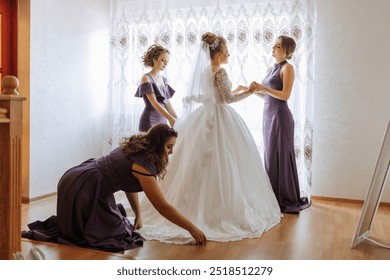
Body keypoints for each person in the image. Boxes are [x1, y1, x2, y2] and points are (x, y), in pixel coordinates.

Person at [137, 32, 282, 244]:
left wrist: (239, 89)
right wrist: (250, 90)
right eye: (226, 51)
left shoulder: (205, 71)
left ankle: (187, 207)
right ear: (218, 54)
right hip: (220, 117)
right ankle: (218, 210)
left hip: (204, 116)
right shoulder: (220, 72)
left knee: (199, 163)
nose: (229, 54)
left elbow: (217, 95)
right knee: (225, 162)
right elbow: (228, 99)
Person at [22, 124, 207, 252]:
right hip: (85, 186)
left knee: (119, 224)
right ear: (158, 145)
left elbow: (128, 184)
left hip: (78, 176)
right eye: (169, 147)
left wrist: (139, 214)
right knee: (114, 234)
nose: (171, 152)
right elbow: (162, 206)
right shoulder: (142, 164)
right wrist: (191, 228)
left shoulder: (139, 147)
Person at [252, 35, 310, 214]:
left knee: (280, 156)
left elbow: (285, 96)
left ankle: (284, 198)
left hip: (280, 118)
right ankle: (273, 197)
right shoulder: (272, 69)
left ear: (287, 51)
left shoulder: (288, 68)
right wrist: (254, 91)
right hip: (268, 117)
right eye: (274, 45)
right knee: (270, 156)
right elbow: (268, 95)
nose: (273, 47)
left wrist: (264, 89)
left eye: (277, 46)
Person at [135, 44, 177, 132]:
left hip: (163, 121)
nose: (165, 63)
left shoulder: (164, 80)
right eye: (163, 60)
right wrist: (170, 118)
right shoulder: (146, 78)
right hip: (149, 120)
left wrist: (177, 119)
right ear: (154, 60)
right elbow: (154, 102)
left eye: (167, 61)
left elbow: (167, 103)